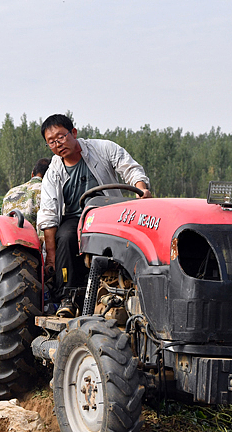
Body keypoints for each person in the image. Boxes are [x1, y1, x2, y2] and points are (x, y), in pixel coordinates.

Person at [37, 114, 151, 317]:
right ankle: (68, 297)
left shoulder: (102, 149)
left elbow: (130, 169)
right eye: (51, 142)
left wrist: (141, 189)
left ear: (73, 132)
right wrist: (51, 259)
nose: (57, 144)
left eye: (61, 137)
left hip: (110, 212)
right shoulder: (53, 171)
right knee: (65, 236)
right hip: (77, 219)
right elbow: (49, 212)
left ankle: (139, 293)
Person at [1, 158, 51, 237]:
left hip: (10, 240)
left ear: (32, 174)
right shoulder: (48, 192)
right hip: (33, 243)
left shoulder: (11, 192)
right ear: (51, 176)